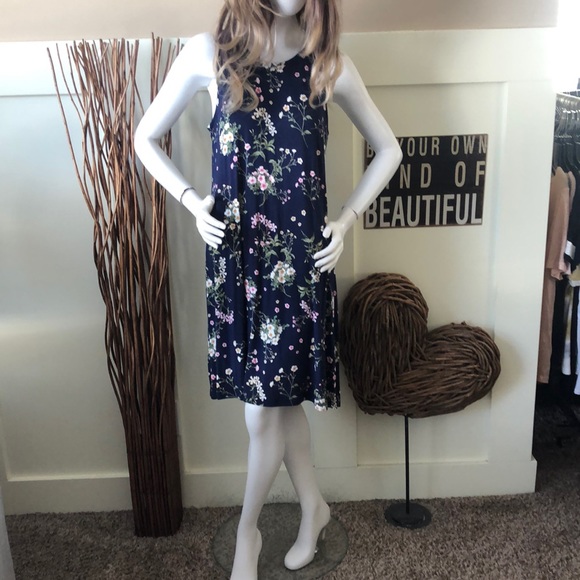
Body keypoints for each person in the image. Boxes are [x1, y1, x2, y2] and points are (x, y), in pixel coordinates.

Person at [135, 1, 402, 577]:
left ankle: (247, 534)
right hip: (238, 263)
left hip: (299, 266)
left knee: (263, 414)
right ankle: (314, 508)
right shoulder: (209, 54)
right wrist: (191, 203)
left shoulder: (326, 64)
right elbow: (144, 138)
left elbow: (390, 149)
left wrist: (345, 221)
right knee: (277, 408)